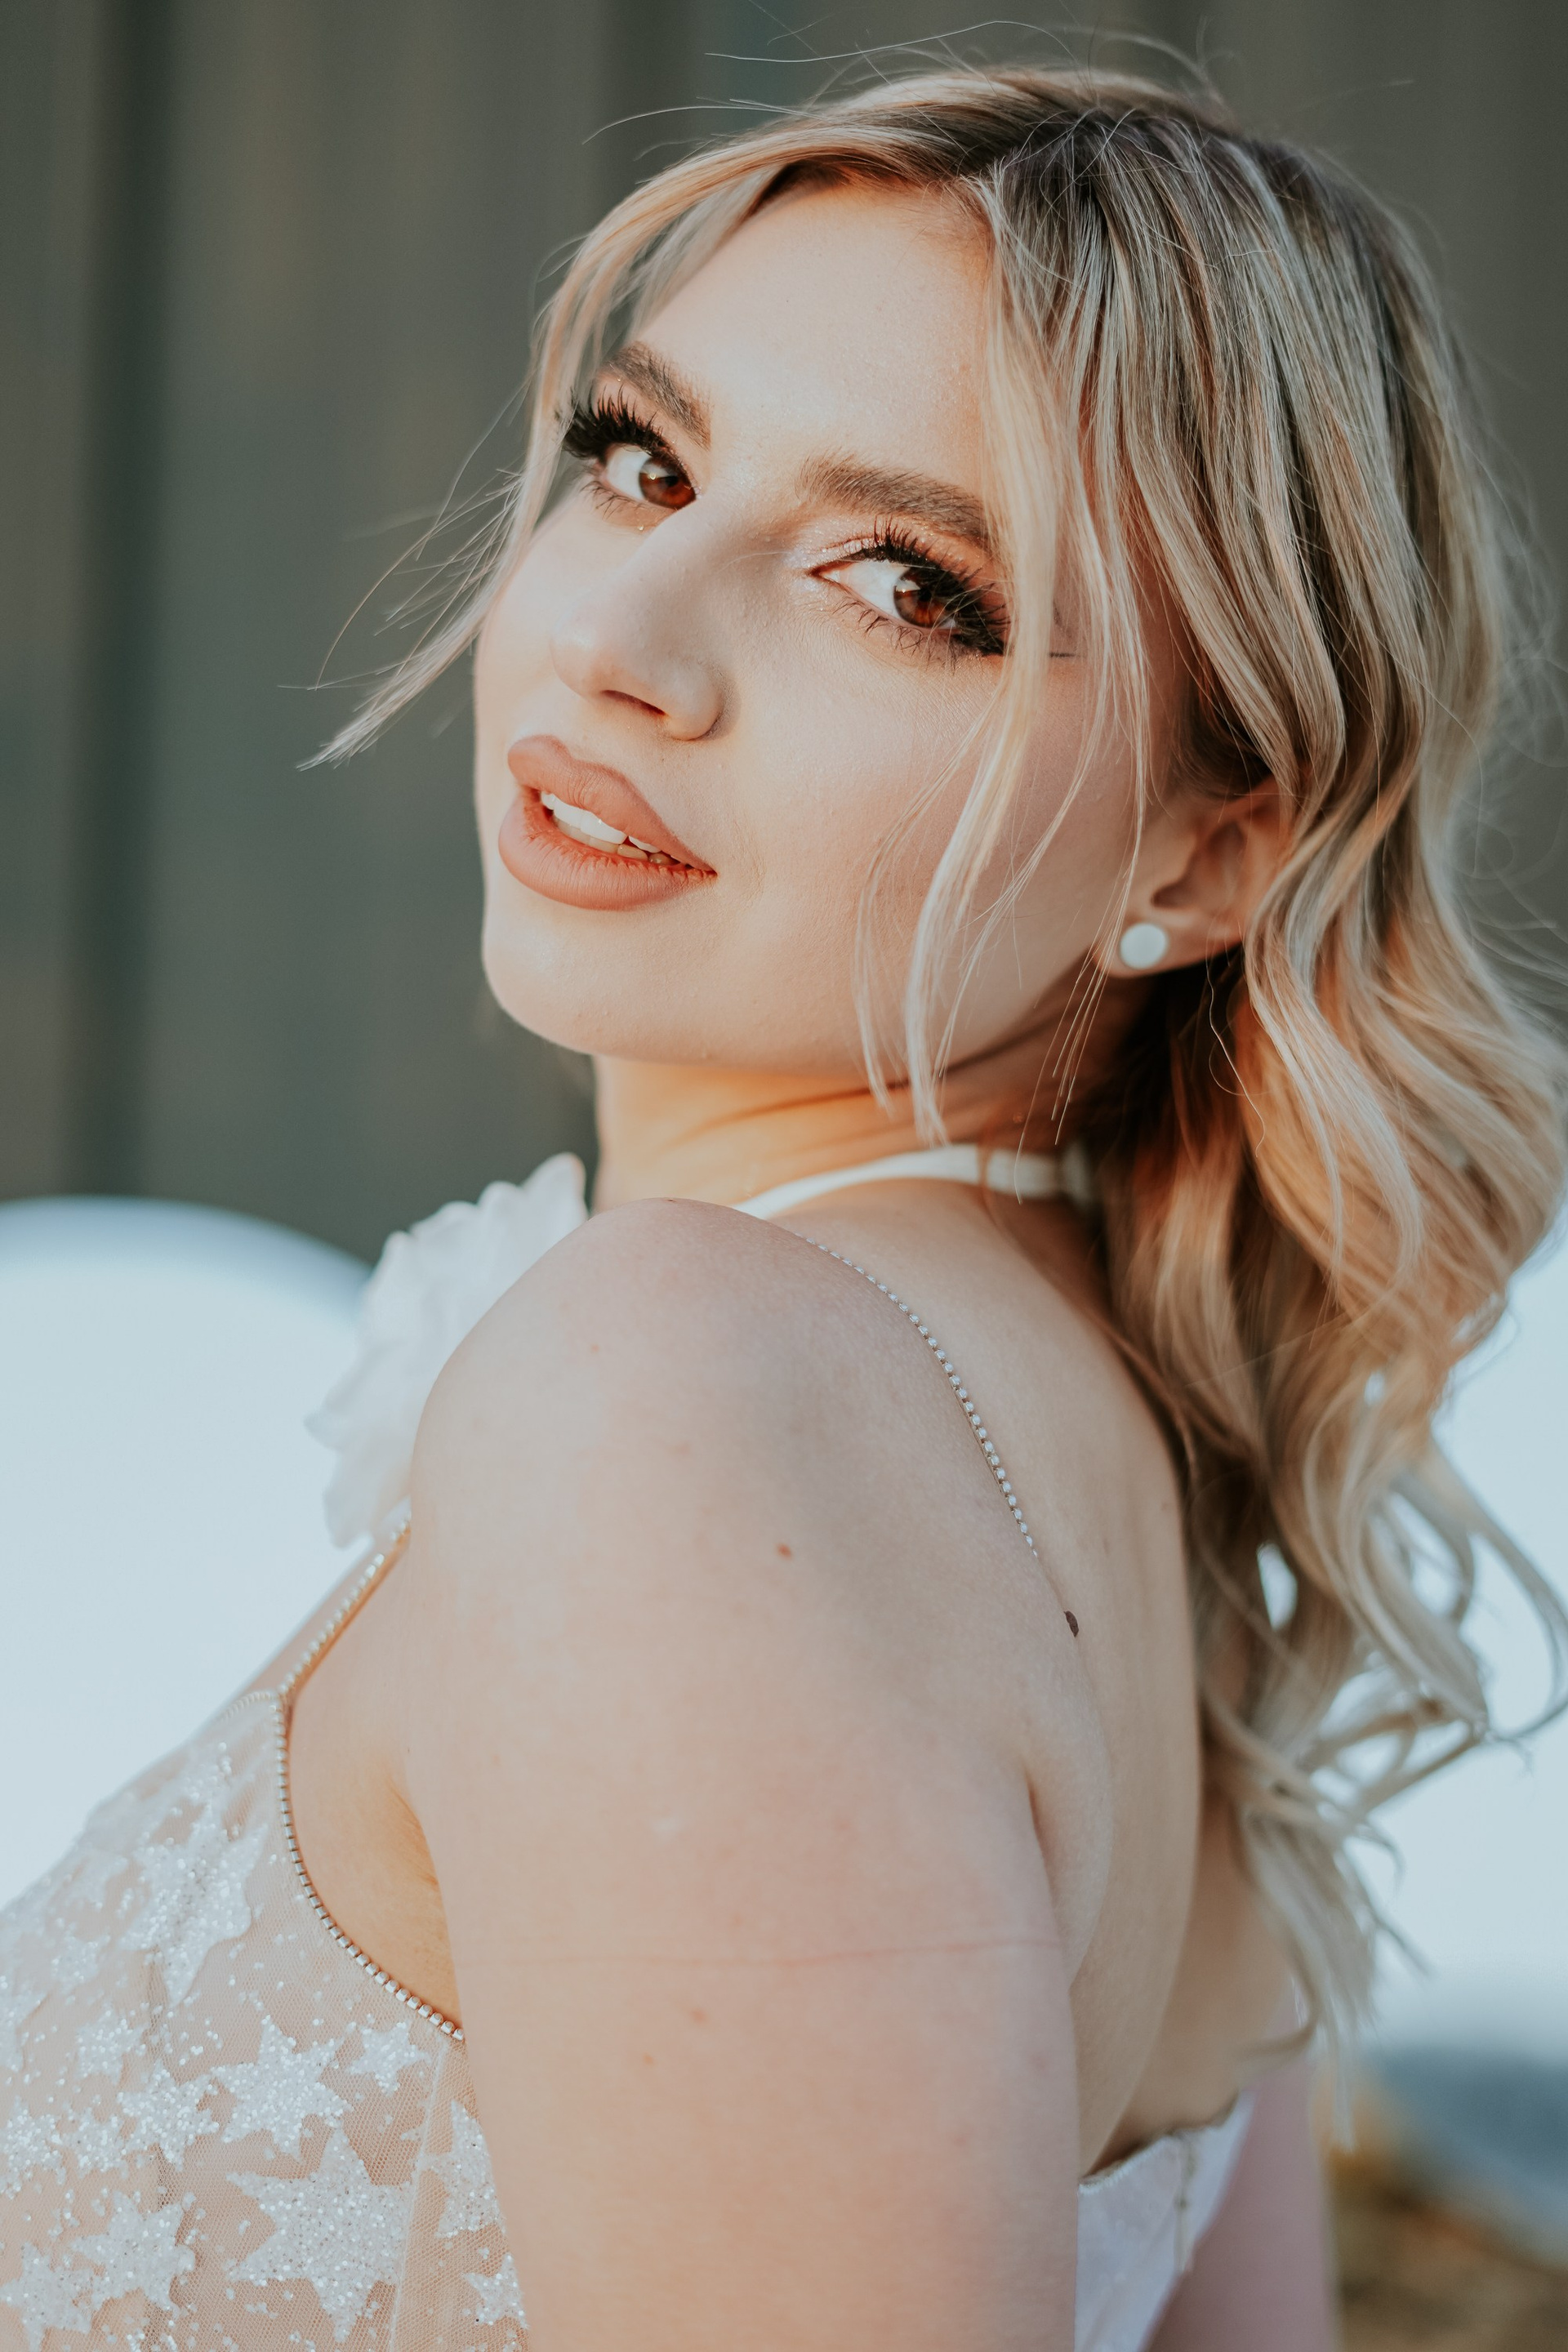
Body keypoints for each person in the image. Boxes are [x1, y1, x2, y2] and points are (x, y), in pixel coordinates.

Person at [2, 62, 1564, 2352]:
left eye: (905, 586)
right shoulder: (1121, 1490)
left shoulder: (695, 1395)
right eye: (644, 457)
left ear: (1205, 847)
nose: (622, 637)